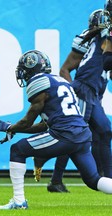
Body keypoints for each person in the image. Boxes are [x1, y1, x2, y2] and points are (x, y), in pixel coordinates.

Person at [0, 50, 112, 210]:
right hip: (82, 134)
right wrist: (14, 129)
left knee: (17, 149)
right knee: (93, 180)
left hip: (65, 134)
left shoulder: (38, 82)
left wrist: (10, 127)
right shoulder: (59, 80)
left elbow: (28, 121)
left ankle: (19, 202)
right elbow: (42, 125)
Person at [33, 8, 112, 193]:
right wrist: (70, 93)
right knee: (74, 135)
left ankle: (107, 177)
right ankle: (56, 180)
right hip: (83, 90)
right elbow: (65, 69)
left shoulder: (101, 36)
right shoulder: (103, 36)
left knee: (105, 131)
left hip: (93, 94)